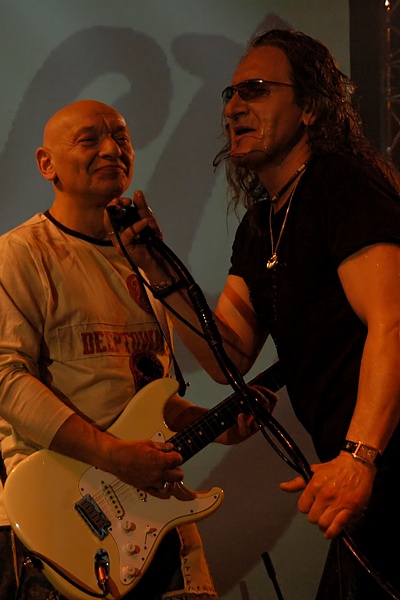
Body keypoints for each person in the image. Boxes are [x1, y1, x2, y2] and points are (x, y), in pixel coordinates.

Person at [106, 29, 400, 600]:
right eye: (231, 94)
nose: (234, 107)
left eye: (257, 90)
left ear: (311, 107)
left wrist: (359, 457)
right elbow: (229, 357)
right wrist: (157, 269)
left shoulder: (341, 184)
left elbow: (392, 322)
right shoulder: (261, 224)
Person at [0, 99, 256, 600]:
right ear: (46, 164)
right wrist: (114, 456)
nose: (111, 150)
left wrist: (217, 425)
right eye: (89, 139)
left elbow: (149, 393)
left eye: (121, 137)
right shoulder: (20, 254)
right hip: (56, 529)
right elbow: (7, 380)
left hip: (151, 520)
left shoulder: (145, 264)